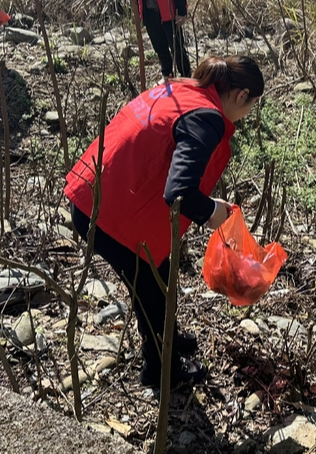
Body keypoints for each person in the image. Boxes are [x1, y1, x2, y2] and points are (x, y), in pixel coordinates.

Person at [64, 56, 264, 388]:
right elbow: (180, 192)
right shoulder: (208, 118)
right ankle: (161, 372)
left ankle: (168, 339)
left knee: (160, 276)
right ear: (241, 96)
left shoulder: (183, 88)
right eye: (250, 106)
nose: (245, 115)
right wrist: (214, 212)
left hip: (97, 189)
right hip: (105, 210)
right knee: (152, 290)